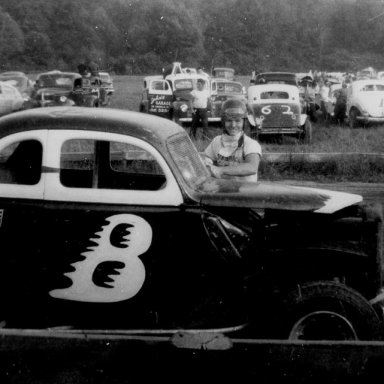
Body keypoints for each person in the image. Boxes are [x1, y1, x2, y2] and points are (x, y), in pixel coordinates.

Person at [203, 99, 262, 182]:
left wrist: (220, 170)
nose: (233, 125)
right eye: (229, 120)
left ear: (244, 122)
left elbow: (252, 167)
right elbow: (206, 157)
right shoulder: (217, 141)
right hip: (223, 191)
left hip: (245, 192)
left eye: (237, 121)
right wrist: (207, 163)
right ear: (223, 122)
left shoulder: (251, 144)